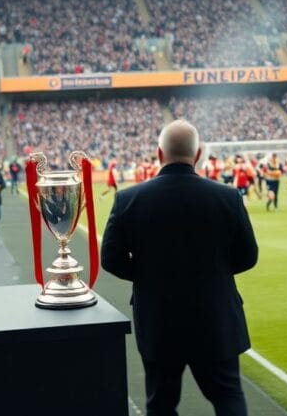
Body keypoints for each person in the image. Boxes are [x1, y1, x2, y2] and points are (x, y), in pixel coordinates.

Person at [102, 120, 258, 416]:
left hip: (159, 319)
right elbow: (248, 256)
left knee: (160, 404)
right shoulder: (227, 197)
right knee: (228, 399)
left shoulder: (129, 199)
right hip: (215, 316)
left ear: (159, 154)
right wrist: (215, 273)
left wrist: (149, 275)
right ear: (198, 155)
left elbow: (111, 258)